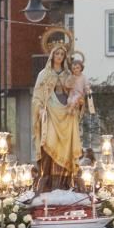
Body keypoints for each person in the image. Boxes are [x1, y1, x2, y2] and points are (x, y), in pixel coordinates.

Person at [31, 42, 81, 191]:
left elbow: (76, 92)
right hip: (51, 111)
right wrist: (40, 108)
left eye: (62, 54)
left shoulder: (68, 74)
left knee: (66, 147)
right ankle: (47, 178)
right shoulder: (44, 74)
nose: (59, 57)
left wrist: (78, 102)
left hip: (67, 112)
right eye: (57, 54)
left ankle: (64, 181)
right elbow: (37, 96)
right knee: (50, 141)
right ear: (52, 55)